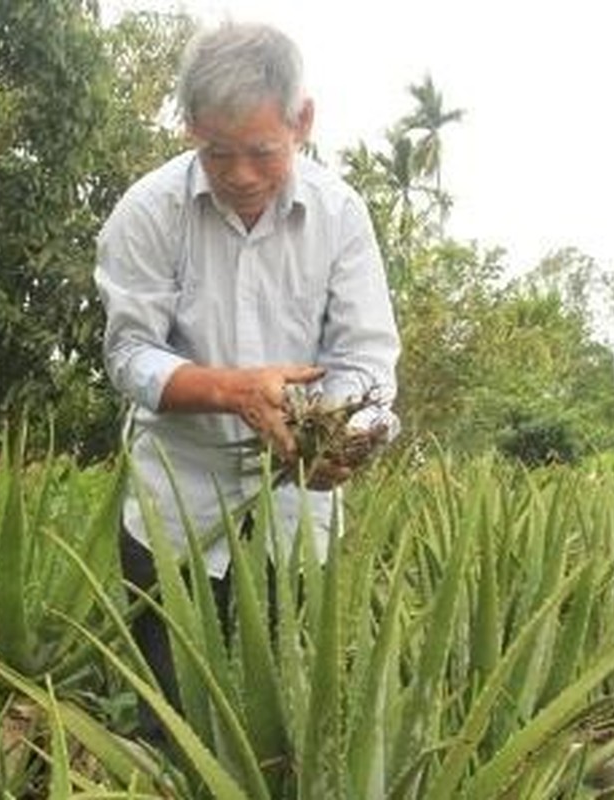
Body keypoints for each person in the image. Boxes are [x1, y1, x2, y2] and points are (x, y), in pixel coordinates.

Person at [93, 20, 400, 741]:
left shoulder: (341, 217)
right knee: (170, 734)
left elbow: (368, 368)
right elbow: (129, 356)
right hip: (175, 510)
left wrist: (341, 441)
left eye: (263, 151)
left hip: (296, 517)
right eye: (217, 151)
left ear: (303, 122)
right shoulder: (148, 211)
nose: (239, 174)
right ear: (192, 128)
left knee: (284, 734)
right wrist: (232, 390)